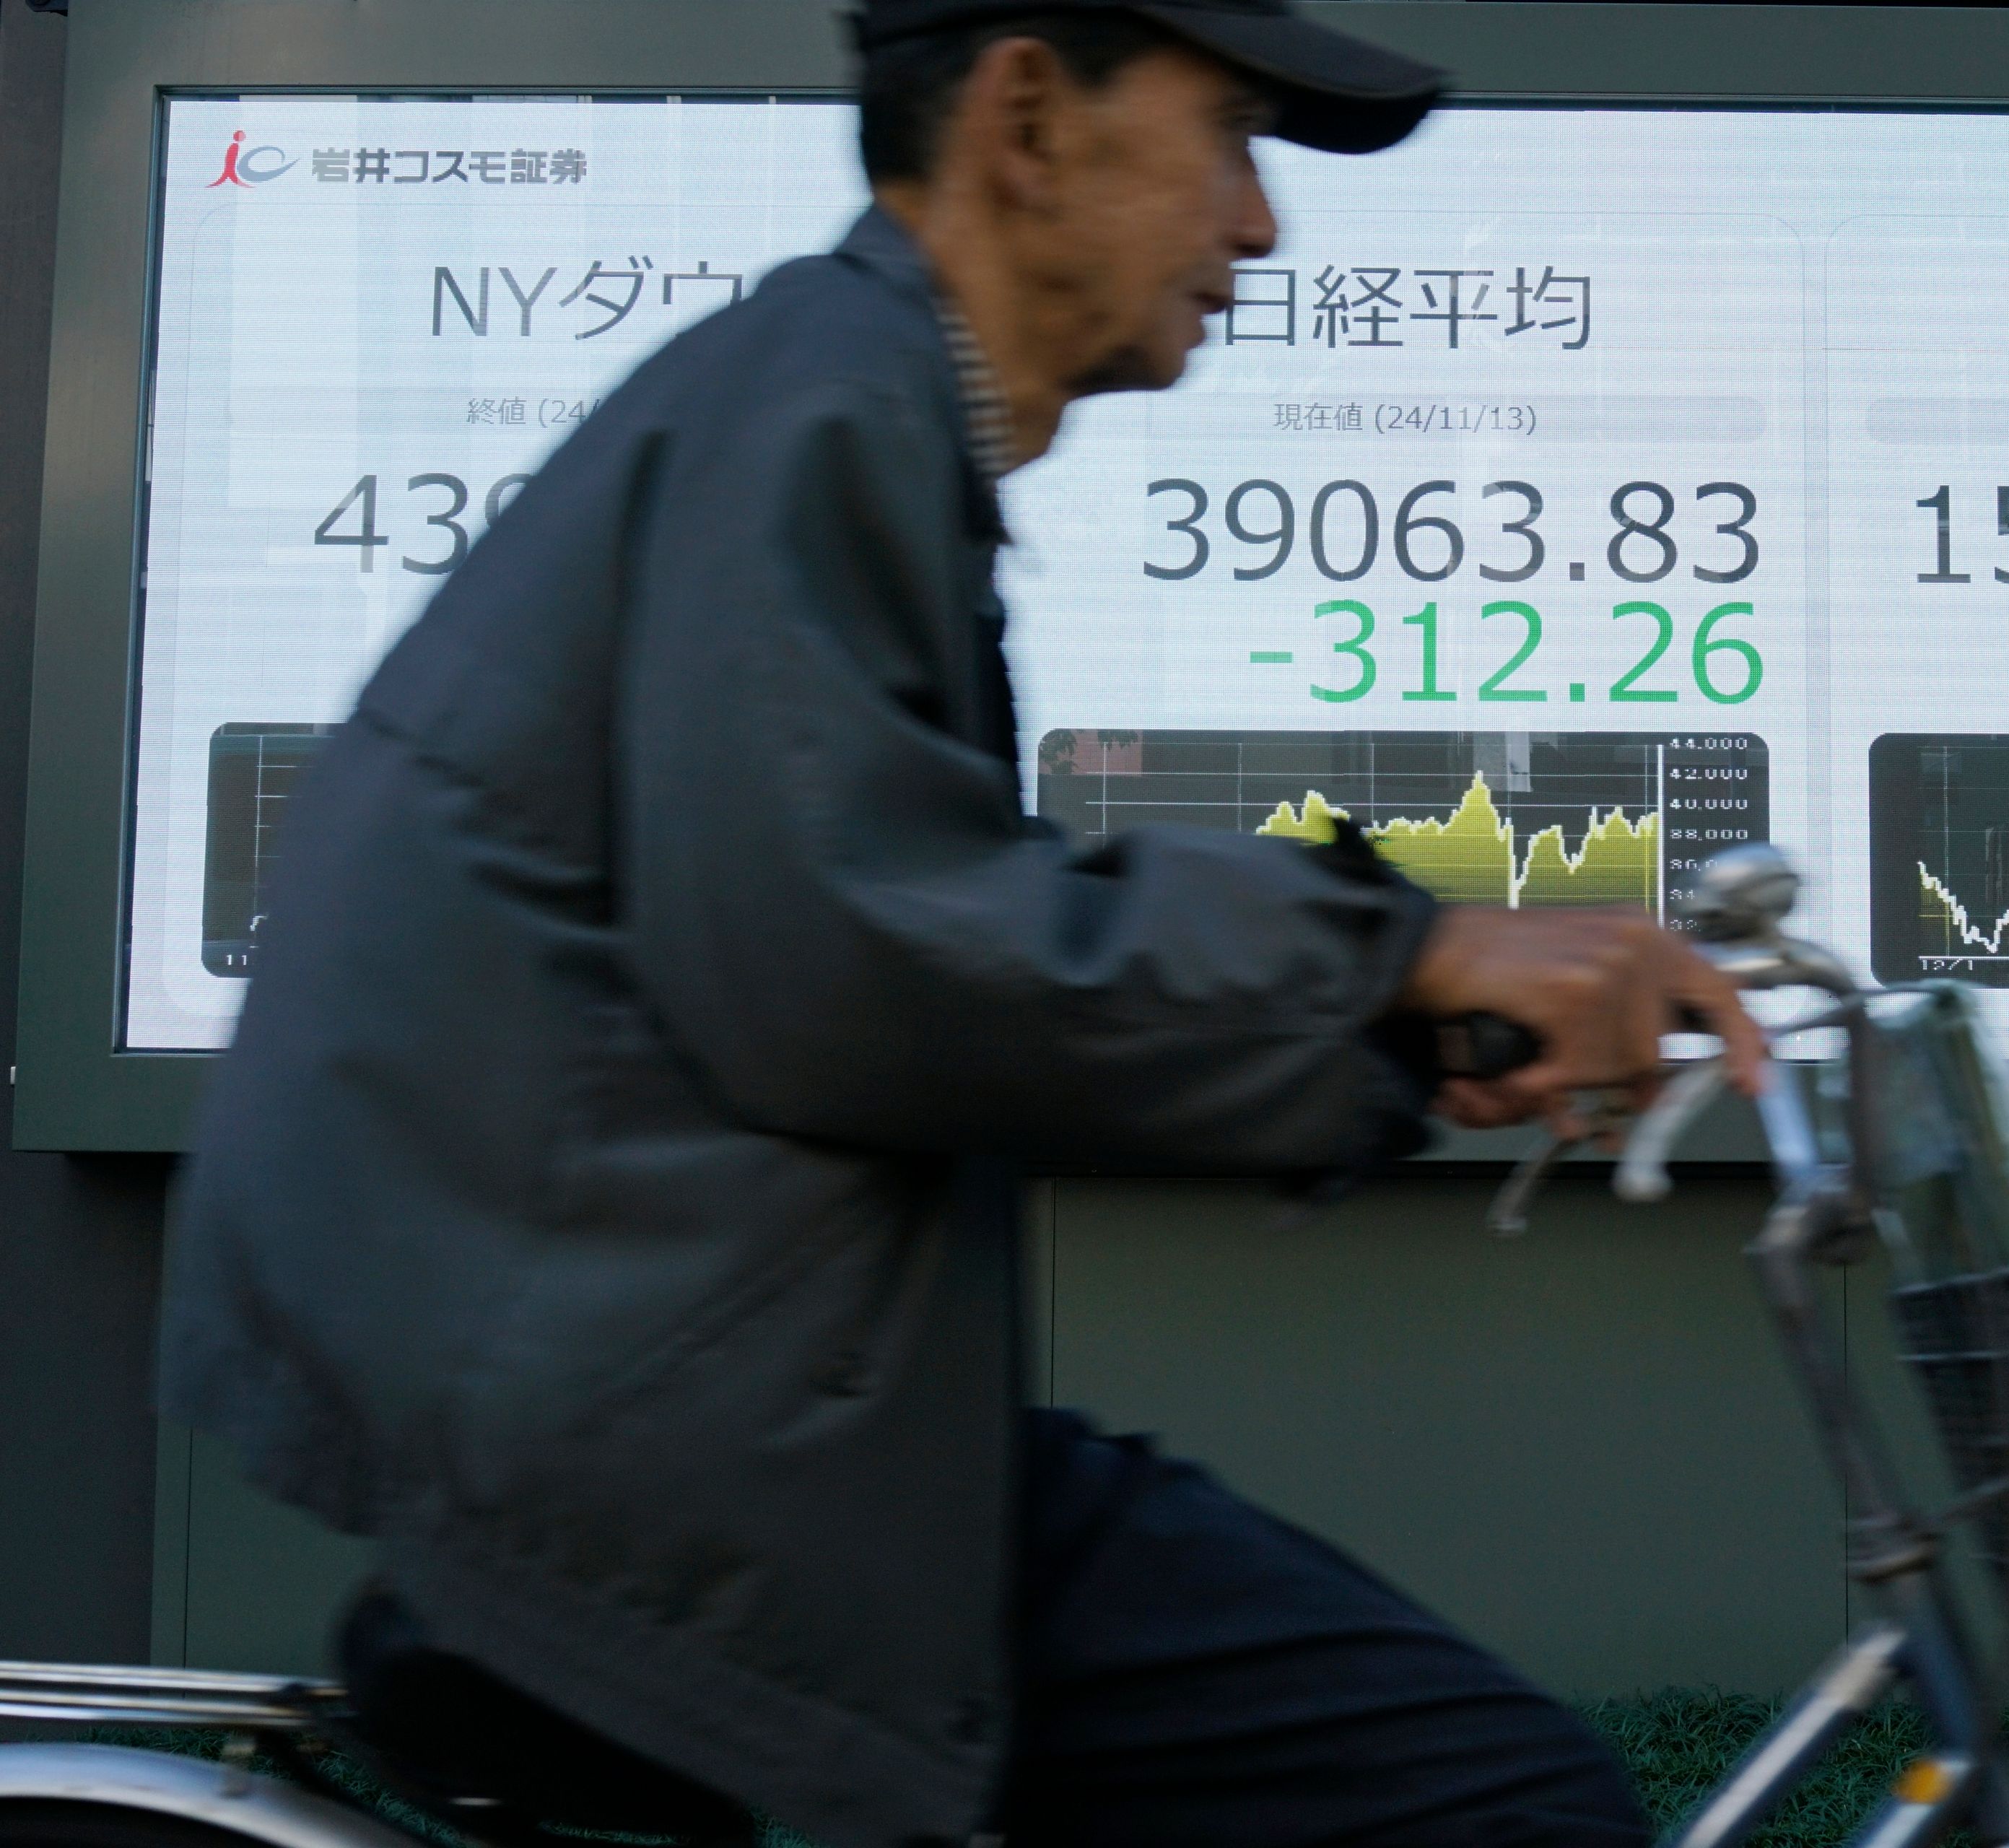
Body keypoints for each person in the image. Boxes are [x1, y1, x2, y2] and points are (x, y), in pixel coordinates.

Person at [158, 2, 1766, 1844]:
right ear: (1024, 117)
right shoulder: (828, 396)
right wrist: (1392, 951)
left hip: (663, 1410)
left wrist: (1383, 1025)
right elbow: (848, 954)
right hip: (674, 1462)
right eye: (1231, 133)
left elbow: (866, 937)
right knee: (1503, 1804)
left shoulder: (825, 390)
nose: (1262, 228)